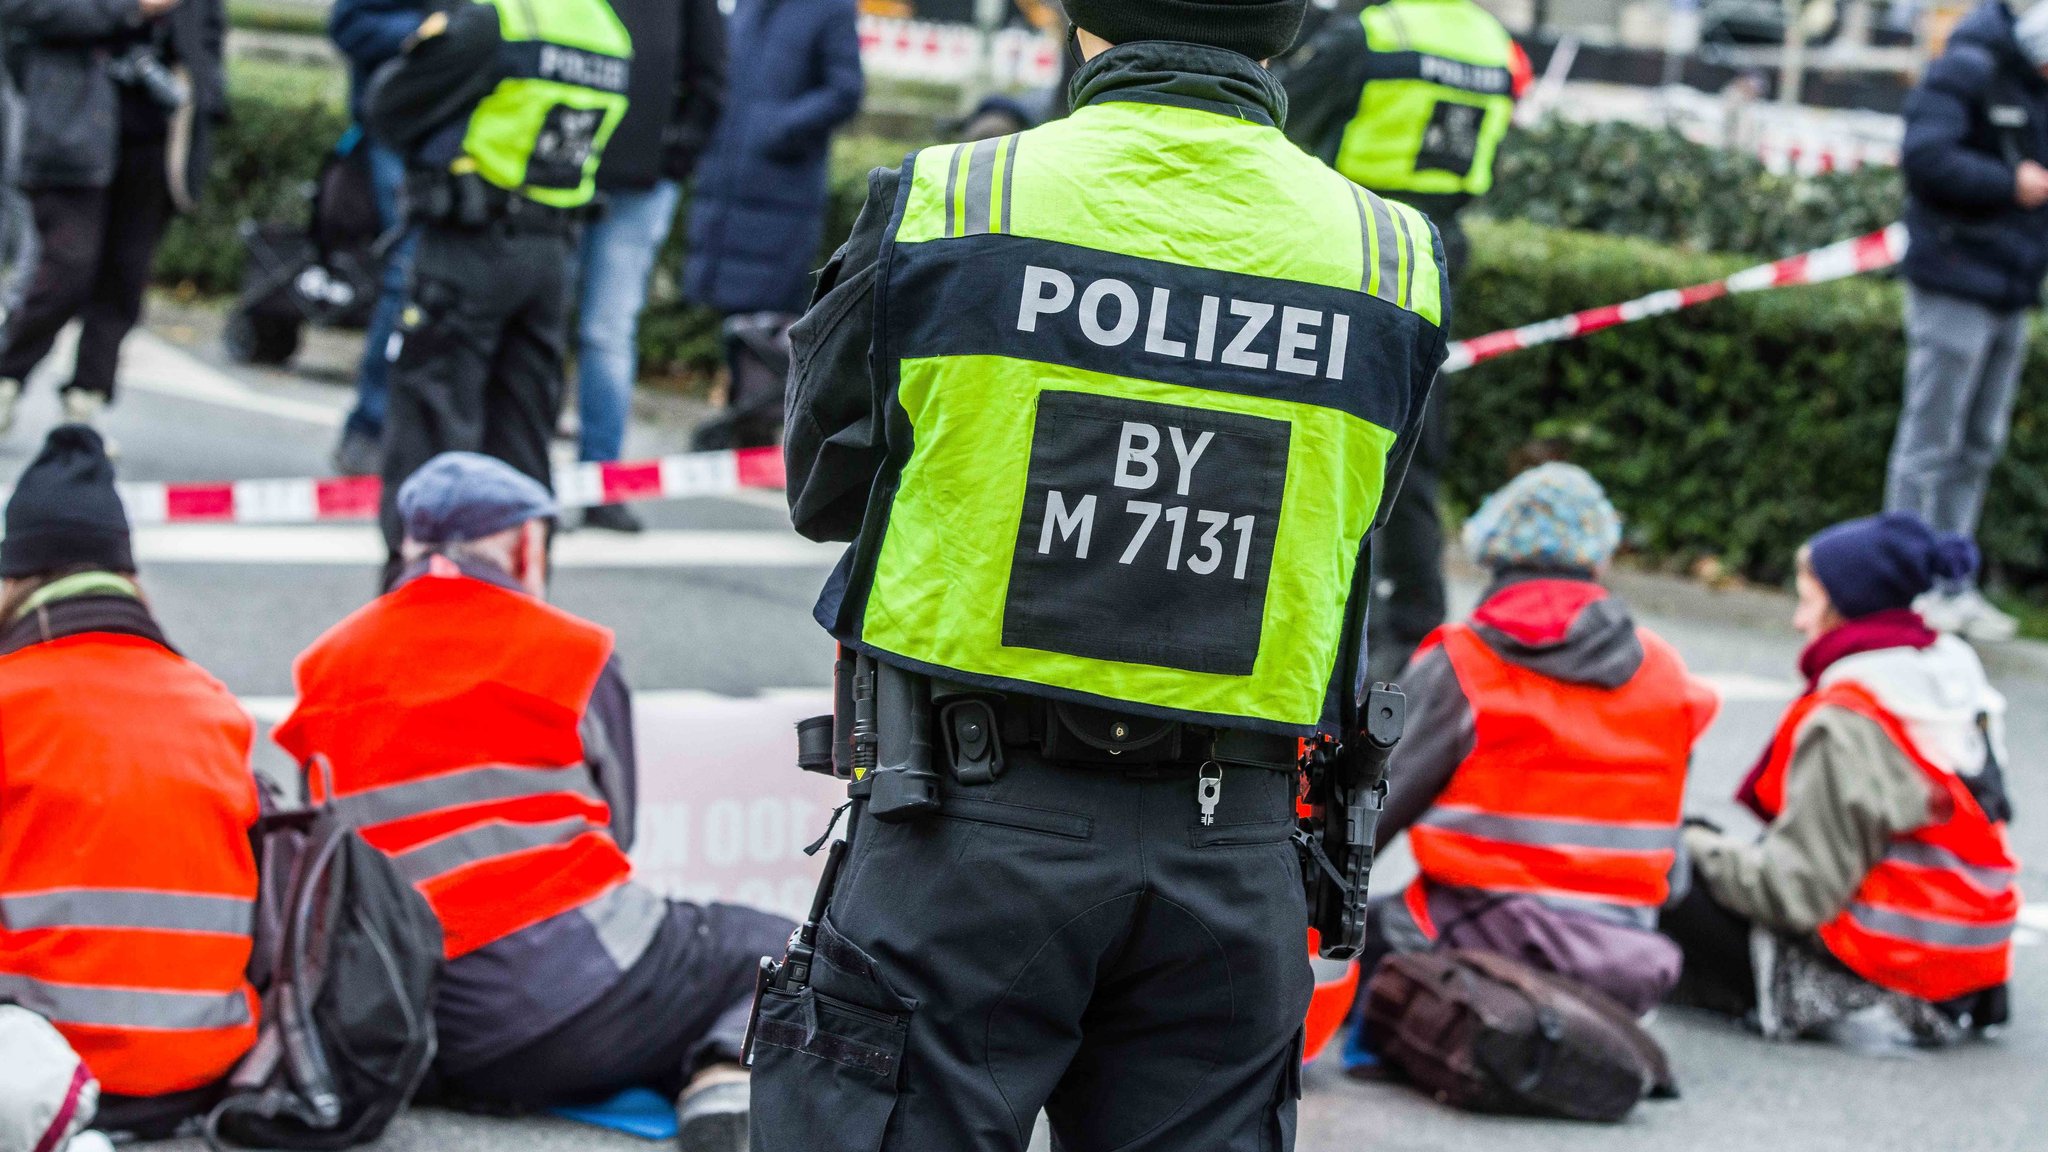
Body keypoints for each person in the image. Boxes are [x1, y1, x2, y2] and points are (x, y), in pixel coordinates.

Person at [764, 0, 1449, 1144]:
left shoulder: (951, 199)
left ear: (1082, 23)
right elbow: (1357, 515)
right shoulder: (1387, 254)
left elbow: (824, 486)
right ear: (1287, 35)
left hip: (961, 828)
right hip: (1237, 852)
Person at [272, 452, 791, 1150]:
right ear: (525, 544)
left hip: (400, 1023)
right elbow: (620, 830)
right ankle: (724, 1076)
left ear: (408, 546)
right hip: (564, 1009)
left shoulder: (324, 665)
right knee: (782, 951)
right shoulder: (573, 652)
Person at [1337, 465, 1718, 1071]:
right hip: (1626, 956)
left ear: (1493, 555)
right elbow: (1677, 878)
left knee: (1349, 940)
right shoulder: (1667, 672)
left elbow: (1363, 825)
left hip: (1469, 938)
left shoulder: (1464, 660)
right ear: (1599, 561)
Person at [1664, 513, 2019, 1046]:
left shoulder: (1847, 718)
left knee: (1668, 864)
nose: (1798, 622)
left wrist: (1686, 842)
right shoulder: (1955, 681)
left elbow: (1796, 895)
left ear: (1849, 604)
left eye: (1809, 600)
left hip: (1884, 969)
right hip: (1969, 962)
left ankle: (1777, 994)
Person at [0, 426, 261, 1136]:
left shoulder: (8, 697)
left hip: (41, 1073)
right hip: (198, 1075)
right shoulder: (214, 704)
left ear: (18, 577)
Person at [1277, 0, 1530, 684]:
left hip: (1346, 240)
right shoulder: (1492, 43)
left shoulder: (1374, 34)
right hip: (1436, 250)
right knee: (1411, 445)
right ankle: (1411, 629)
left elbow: (1276, 121)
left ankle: (1310, 613)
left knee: (1303, 426)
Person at [360, 0, 633, 581]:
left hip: (469, 245)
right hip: (550, 257)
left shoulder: (501, 21)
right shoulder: (606, 29)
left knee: (431, 439)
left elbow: (390, 107)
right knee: (523, 441)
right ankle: (522, 593)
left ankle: (417, 604)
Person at [1888, 0, 2048, 643]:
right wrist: (2009, 183)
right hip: (1955, 276)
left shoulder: (2029, 77)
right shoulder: (1970, 65)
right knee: (1931, 440)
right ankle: (1904, 586)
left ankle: (1953, 581)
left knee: (1979, 442)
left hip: (2011, 285)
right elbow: (1924, 157)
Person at [0, 0, 225, 439]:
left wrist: (207, 92)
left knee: (125, 274)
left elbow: (208, 32)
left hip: (156, 137)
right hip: (70, 129)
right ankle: (8, 373)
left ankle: (85, 405)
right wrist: (131, 7)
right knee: (68, 266)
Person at [575, 0, 727, 532]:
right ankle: (522, 483)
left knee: (605, 332)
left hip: (638, 180)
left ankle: (599, 483)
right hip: (568, 164)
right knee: (562, 329)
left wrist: (672, 157)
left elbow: (710, 78)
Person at [682, 0, 860, 449]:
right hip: (729, 181)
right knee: (735, 311)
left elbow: (845, 90)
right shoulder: (745, 6)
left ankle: (756, 427)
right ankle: (741, 420)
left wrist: (777, 127)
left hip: (782, 186)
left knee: (769, 314)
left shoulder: (829, 8)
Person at [326, 0, 432, 476]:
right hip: (401, 128)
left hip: (469, 129)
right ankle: (370, 425)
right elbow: (348, 24)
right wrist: (421, 31)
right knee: (407, 273)